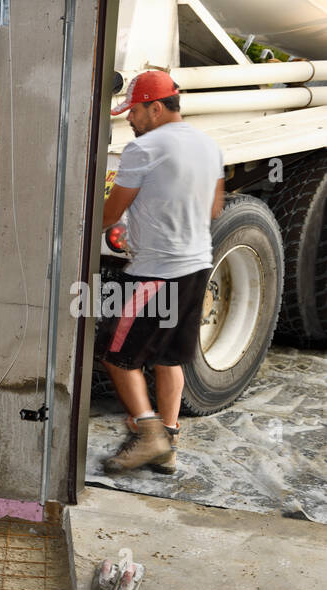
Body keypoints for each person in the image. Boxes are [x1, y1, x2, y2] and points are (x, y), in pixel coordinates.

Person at [98, 69, 225, 474]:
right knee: (169, 358)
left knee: (116, 355)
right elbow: (215, 208)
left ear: (154, 108)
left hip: (156, 271)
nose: (130, 121)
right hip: (197, 264)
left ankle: (148, 435)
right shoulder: (209, 146)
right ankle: (168, 444)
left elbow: (109, 213)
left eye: (133, 112)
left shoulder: (144, 149)